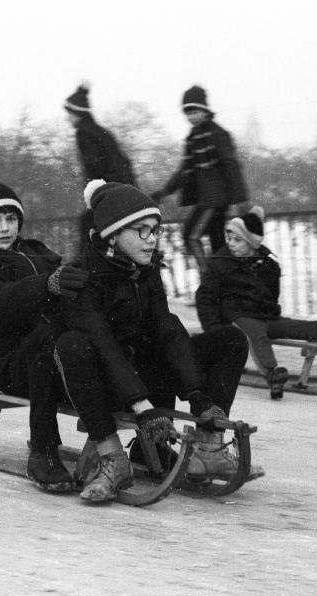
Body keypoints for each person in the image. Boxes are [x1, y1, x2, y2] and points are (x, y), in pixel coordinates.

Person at [56, 179, 250, 502]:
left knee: (230, 339)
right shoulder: (82, 277)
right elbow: (104, 346)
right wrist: (142, 406)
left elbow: (166, 328)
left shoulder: (143, 268)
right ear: (113, 235)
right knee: (72, 344)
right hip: (104, 384)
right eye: (141, 231)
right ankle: (113, 459)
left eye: (155, 230)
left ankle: (208, 446)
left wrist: (197, 395)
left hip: (143, 378)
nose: (151, 240)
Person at [0, 176, 89, 492]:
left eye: (11, 218)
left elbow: (68, 282)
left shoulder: (37, 251)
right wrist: (46, 286)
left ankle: (143, 444)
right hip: (8, 362)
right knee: (46, 342)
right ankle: (43, 450)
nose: (5, 228)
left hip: (51, 351)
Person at [195, 207, 317, 399]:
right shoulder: (220, 262)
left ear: (251, 243)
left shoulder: (268, 265)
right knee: (255, 333)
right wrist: (214, 329)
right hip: (235, 318)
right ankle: (272, 373)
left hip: (267, 317)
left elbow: (271, 296)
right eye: (229, 238)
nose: (230, 243)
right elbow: (204, 297)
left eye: (237, 240)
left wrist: (270, 312)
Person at [151, 85, 250, 270]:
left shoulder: (217, 134)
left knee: (191, 235)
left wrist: (241, 199)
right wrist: (164, 192)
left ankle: (210, 280)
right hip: (206, 200)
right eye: (187, 113)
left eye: (195, 112)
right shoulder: (193, 138)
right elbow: (185, 171)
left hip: (215, 200)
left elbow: (231, 165)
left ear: (205, 110)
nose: (191, 117)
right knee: (217, 242)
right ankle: (224, 283)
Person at [64, 80, 136, 255]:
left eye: (70, 114)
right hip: (125, 189)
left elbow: (94, 167)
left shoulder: (84, 134)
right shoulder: (98, 131)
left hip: (111, 191)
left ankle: (84, 267)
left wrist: (95, 196)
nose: (68, 118)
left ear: (78, 114)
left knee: (89, 225)